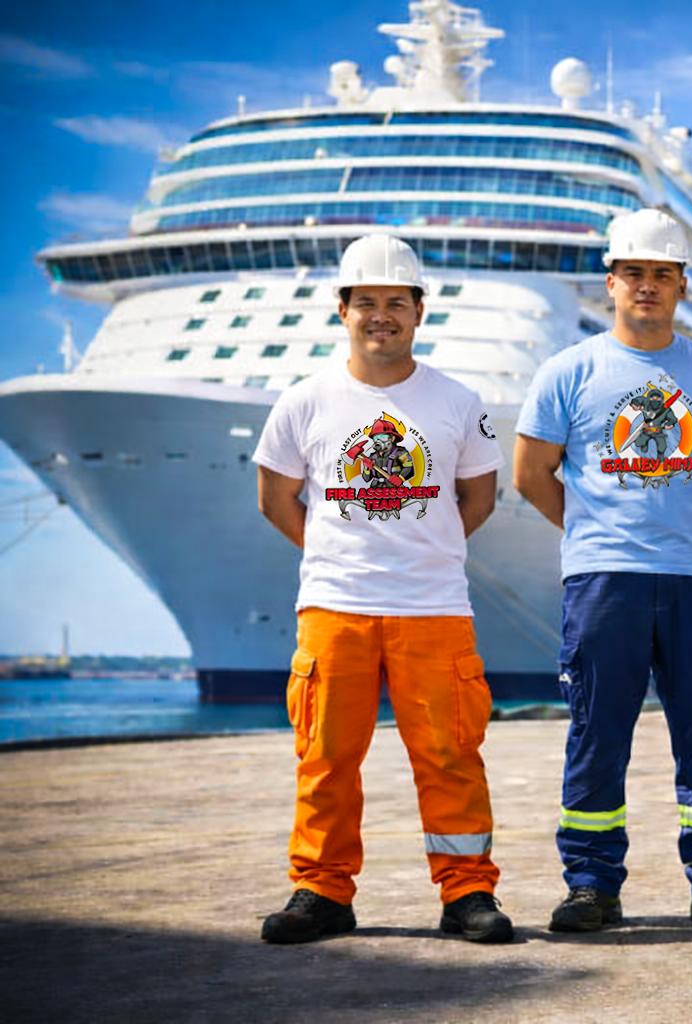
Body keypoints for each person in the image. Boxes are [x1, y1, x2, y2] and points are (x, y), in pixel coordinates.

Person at [513, 208, 692, 934]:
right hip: (602, 581)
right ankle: (592, 883)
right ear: (612, 281)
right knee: (597, 731)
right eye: (634, 274)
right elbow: (531, 475)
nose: (646, 286)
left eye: (661, 274)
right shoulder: (568, 371)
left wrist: (665, 527)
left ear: (682, 284)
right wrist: (598, 532)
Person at [253, 234, 511, 944]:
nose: (381, 315)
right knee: (326, 756)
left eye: (396, 302)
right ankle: (321, 892)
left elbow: (479, 497)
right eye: (366, 301)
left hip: (433, 609)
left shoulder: (458, 401)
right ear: (342, 310)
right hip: (335, 609)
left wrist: (421, 551)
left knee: (451, 754)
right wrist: (339, 552)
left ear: (420, 311)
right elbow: (275, 498)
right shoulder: (305, 400)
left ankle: (467, 894)